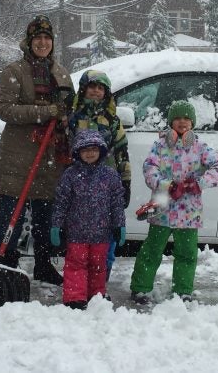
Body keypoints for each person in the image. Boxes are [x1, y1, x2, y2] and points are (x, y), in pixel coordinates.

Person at [0, 14, 74, 285]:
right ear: (28, 41)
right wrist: (46, 111)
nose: (42, 43)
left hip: (50, 154)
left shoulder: (60, 73)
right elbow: (6, 110)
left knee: (44, 215)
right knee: (10, 209)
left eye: (47, 38)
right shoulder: (13, 72)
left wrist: (64, 116)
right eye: (37, 38)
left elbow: (69, 108)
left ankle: (43, 264)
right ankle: (7, 263)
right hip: (19, 155)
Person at [130, 100, 218, 304]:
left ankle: (183, 289)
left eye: (186, 118)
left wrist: (197, 184)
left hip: (189, 212)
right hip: (161, 208)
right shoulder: (159, 146)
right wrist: (166, 185)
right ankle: (140, 287)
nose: (182, 122)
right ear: (170, 122)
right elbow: (149, 169)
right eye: (177, 118)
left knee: (187, 253)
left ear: (192, 122)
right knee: (151, 250)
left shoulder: (201, 148)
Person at [50, 130, 126, 309]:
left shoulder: (110, 175)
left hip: (102, 233)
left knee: (98, 267)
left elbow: (117, 203)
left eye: (93, 149)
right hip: (77, 232)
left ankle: (95, 295)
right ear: (78, 152)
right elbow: (61, 202)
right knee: (76, 265)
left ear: (101, 150)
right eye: (85, 150)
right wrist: (56, 225)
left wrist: (119, 226)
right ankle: (75, 297)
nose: (90, 153)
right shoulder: (70, 175)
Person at [68, 69, 131, 280]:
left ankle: (100, 279)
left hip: (106, 185)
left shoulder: (112, 120)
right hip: (79, 185)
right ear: (83, 90)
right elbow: (64, 149)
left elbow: (122, 151)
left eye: (100, 87)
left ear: (107, 92)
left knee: (106, 237)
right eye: (92, 86)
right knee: (79, 236)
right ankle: (80, 279)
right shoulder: (74, 118)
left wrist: (125, 181)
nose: (96, 91)